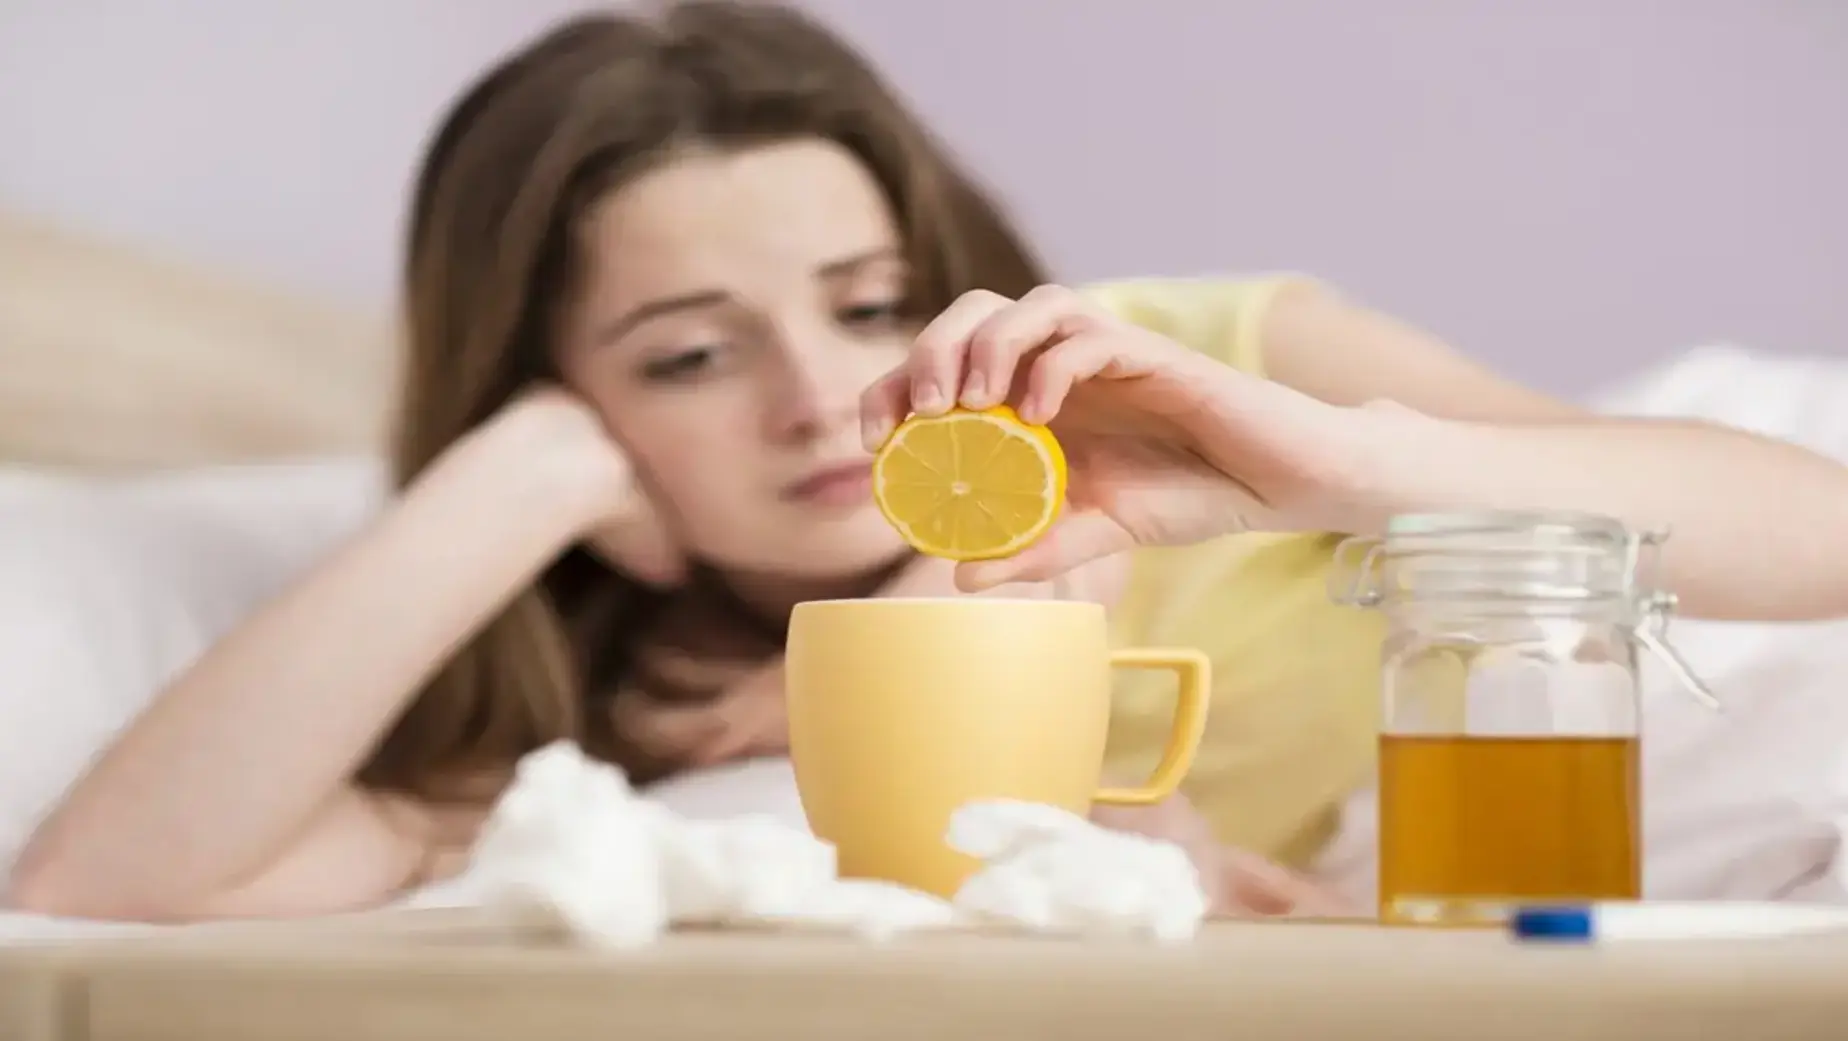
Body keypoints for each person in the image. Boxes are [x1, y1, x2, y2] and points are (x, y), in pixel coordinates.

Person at [12, 2, 1848, 924]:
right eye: (687, 356)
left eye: (867, 302)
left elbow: (1803, 536)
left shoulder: (1192, 377)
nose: (821, 400)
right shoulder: (629, 702)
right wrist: (517, 482)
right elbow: (88, 905)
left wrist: (1342, 465)